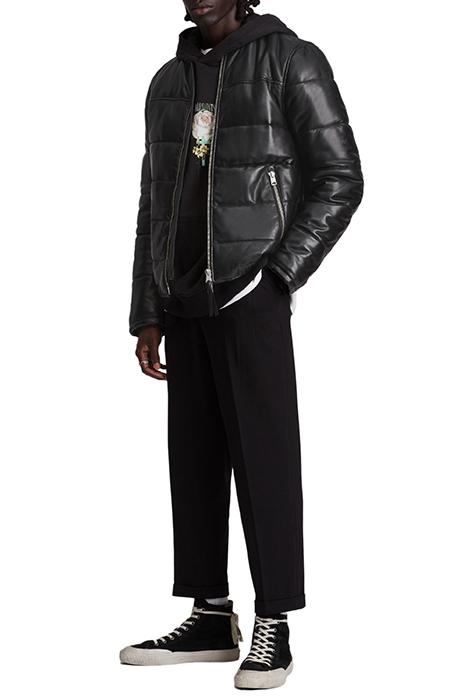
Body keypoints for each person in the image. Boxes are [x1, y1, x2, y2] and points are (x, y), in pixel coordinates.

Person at [120, 0, 364, 690]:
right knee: (194, 459)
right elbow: (153, 199)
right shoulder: (168, 79)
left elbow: (341, 177)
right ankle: (209, 615)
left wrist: (278, 275)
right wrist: (146, 310)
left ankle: (274, 623)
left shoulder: (290, 59)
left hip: (249, 290)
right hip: (181, 295)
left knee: (264, 458)